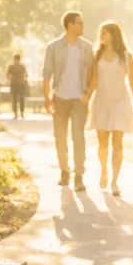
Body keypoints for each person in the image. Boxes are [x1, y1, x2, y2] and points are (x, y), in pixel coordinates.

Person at [85, 22, 133, 196]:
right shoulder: (97, 56)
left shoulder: (127, 57)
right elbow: (94, 81)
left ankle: (115, 182)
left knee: (117, 143)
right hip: (102, 102)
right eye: (100, 33)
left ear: (113, 35)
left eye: (104, 33)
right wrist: (86, 99)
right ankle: (104, 170)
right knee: (103, 143)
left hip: (121, 102)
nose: (101, 36)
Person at [43, 11, 94, 191]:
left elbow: (94, 72)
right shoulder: (54, 47)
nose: (82, 26)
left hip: (79, 98)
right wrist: (47, 97)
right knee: (60, 137)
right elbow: (47, 73)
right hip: (60, 98)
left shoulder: (87, 47)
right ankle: (64, 170)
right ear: (69, 25)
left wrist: (88, 93)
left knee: (78, 137)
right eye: (79, 23)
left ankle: (79, 175)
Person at [6, 54, 28, 120]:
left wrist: (24, 80)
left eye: (17, 59)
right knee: (14, 99)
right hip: (14, 84)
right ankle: (15, 114)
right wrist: (11, 79)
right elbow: (7, 75)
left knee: (21, 99)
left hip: (21, 84)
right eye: (16, 59)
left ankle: (22, 113)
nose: (16, 61)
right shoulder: (11, 67)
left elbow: (26, 74)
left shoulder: (22, 66)